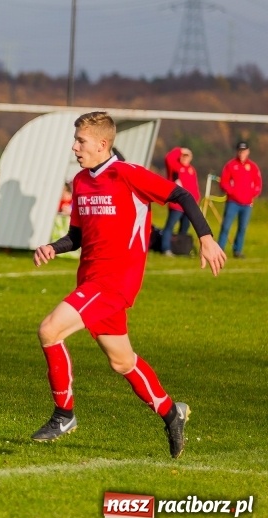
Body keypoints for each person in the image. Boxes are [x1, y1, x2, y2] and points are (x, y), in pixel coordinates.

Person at [31, 111, 226, 458]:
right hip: (90, 279)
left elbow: (181, 195)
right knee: (122, 361)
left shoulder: (127, 174)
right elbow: (76, 235)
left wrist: (206, 237)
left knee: (49, 330)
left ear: (103, 144)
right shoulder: (80, 181)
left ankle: (64, 414)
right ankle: (171, 412)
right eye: (75, 140)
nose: (74, 147)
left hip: (114, 281)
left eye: (81, 141)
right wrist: (53, 246)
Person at [217, 141, 262, 259]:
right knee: (226, 226)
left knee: (242, 228)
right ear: (237, 152)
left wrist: (252, 194)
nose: (242, 153)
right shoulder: (231, 165)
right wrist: (231, 192)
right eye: (240, 151)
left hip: (247, 204)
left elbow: (258, 183)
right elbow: (224, 182)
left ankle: (237, 250)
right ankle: (220, 249)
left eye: (244, 151)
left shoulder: (252, 167)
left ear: (248, 151)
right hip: (233, 202)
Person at [161, 147, 200, 256]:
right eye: (183, 156)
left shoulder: (192, 170)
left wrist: (196, 199)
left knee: (185, 227)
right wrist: (181, 150)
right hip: (176, 204)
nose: (185, 158)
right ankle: (166, 248)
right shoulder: (175, 167)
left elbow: (195, 187)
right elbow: (168, 158)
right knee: (170, 226)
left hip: (188, 205)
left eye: (187, 156)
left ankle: (180, 248)